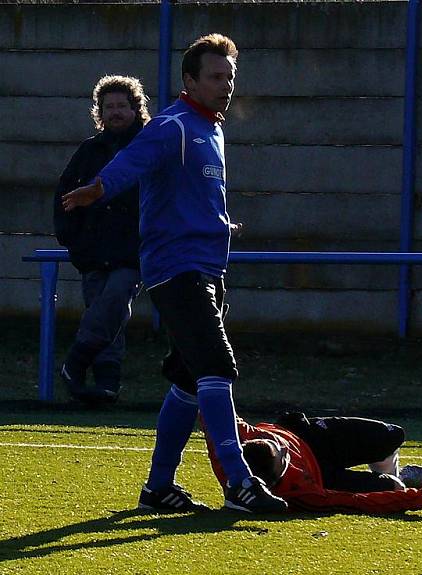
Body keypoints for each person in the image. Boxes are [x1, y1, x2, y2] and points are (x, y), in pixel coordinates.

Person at [62, 33, 286, 515]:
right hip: (176, 271)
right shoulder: (174, 125)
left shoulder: (212, 129)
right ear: (190, 80)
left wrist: (221, 224)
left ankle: (158, 488)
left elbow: (191, 197)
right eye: (215, 76)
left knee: (189, 381)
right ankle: (238, 483)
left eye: (230, 77)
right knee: (218, 367)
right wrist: (98, 189)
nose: (225, 85)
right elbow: (131, 163)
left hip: (206, 269)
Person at [53, 75, 150, 404]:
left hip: (133, 251)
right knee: (107, 313)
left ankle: (76, 360)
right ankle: (106, 383)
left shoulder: (147, 148)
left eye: (122, 105)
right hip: (93, 251)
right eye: (109, 107)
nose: (116, 112)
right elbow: (64, 194)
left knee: (115, 300)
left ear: (136, 108)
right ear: (100, 112)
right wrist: (71, 238)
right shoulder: (89, 150)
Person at [203, 413, 422, 514]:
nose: (286, 452)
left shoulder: (232, 445)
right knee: (392, 488)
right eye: (283, 457)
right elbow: (354, 502)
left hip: (310, 437)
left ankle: (394, 469)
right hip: (323, 478)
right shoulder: (299, 493)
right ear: (271, 484)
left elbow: (212, 407)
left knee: (391, 435)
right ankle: (400, 478)